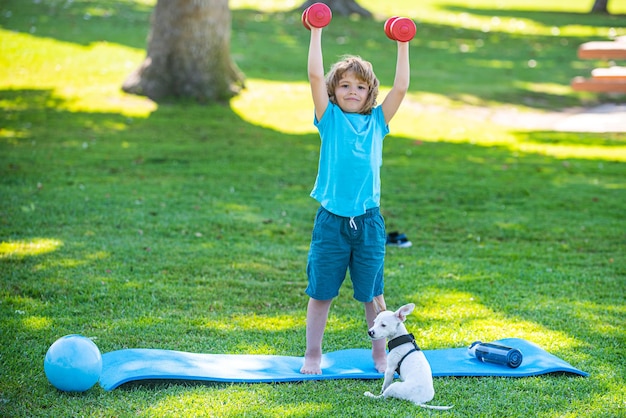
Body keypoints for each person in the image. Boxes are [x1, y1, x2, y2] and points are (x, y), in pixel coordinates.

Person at [300, 23, 410, 375]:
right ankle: (312, 355)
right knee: (321, 294)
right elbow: (315, 76)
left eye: (360, 87)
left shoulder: (378, 122)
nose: (352, 91)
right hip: (332, 221)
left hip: (368, 223)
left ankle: (382, 358)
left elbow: (402, 87)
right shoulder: (328, 118)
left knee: (373, 297)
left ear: (369, 94)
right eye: (345, 85)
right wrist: (316, 31)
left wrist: (403, 43)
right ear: (334, 91)